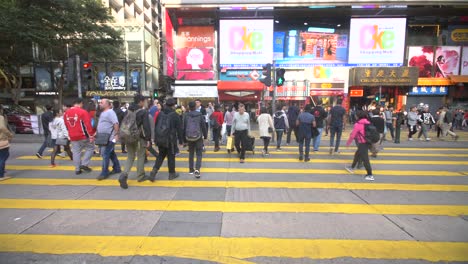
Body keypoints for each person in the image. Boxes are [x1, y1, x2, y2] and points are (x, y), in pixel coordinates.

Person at [118, 95, 152, 189]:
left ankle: (124, 175)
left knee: (130, 156)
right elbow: (146, 127)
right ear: (140, 102)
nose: (145, 103)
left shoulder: (128, 111)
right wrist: (148, 139)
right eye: (144, 101)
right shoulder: (143, 112)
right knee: (141, 156)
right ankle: (140, 176)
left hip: (128, 137)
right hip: (139, 138)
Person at [148, 98, 184, 181]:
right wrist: (181, 141)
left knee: (161, 155)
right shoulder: (175, 115)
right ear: (172, 105)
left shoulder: (160, 113)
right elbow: (179, 129)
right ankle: (172, 174)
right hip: (170, 140)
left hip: (161, 139)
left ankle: (154, 171)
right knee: (171, 156)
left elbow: (156, 125)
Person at [63, 98, 95, 175]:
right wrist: (91, 135)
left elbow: (66, 125)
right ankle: (84, 164)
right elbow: (88, 125)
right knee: (90, 148)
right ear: (80, 103)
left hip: (72, 136)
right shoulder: (83, 112)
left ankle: (77, 169)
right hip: (83, 135)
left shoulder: (66, 113)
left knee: (76, 152)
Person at [95, 99, 121, 180]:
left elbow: (115, 123)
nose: (100, 104)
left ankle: (104, 172)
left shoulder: (110, 112)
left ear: (107, 104)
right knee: (111, 153)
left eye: (101, 103)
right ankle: (117, 168)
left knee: (105, 154)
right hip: (103, 137)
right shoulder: (103, 113)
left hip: (110, 138)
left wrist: (116, 134)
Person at [345, 110, 374, 181]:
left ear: (358, 116)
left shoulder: (358, 124)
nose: (355, 116)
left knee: (365, 159)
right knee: (357, 154)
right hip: (367, 142)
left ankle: (370, 174)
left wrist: (348, 143)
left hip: (362, 143)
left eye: (356, 115)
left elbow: (352, 135)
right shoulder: (368, 122)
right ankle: (352, 167)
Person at [183, 101, 207, 178]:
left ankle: (190, 169)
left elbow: (183, 127)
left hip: (189, 137)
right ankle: (197, 169)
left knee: (191, 153)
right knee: (199, 153)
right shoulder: (199, 115)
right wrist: (205, 136)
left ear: (189, 107)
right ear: (195, 107)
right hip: (198, 137)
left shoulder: (186, 115)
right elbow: (203, 126)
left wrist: (184, 139)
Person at [0, 105, 13, 180]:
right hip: (1, 140)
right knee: (3, 157)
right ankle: (1, 175)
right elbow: (2, 127)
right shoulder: (0, 117)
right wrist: (9, 134)